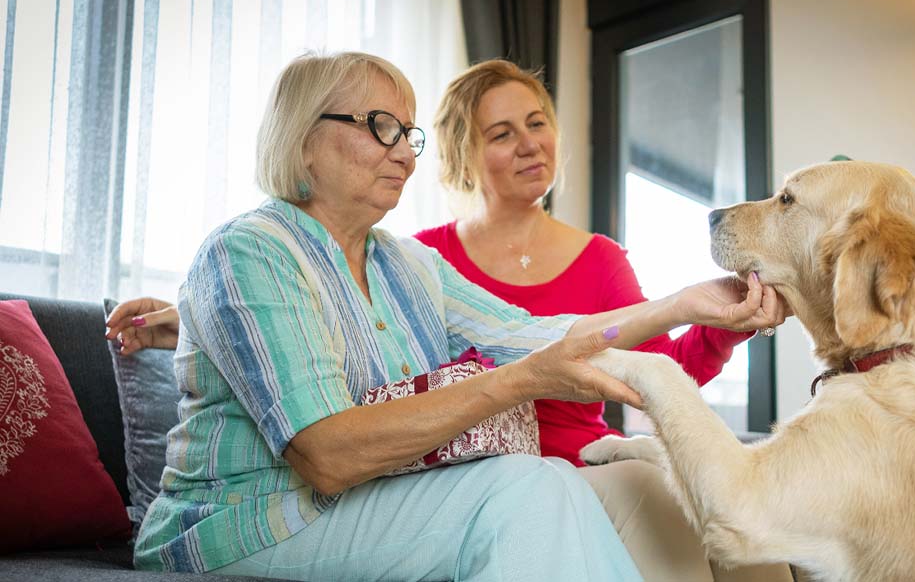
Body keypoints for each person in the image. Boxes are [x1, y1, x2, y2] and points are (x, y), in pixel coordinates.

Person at [112, 51, 786, 581]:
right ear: (303, 139)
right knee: (523, 494)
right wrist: (520, 380)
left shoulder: (408, 265)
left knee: (548, 480)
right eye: (381, 128)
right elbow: (328, 455)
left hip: (356, 501)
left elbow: (540, 335)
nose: (406, 152)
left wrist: (688, 302)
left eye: (407, 134)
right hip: (241, 521)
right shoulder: (249, 248)